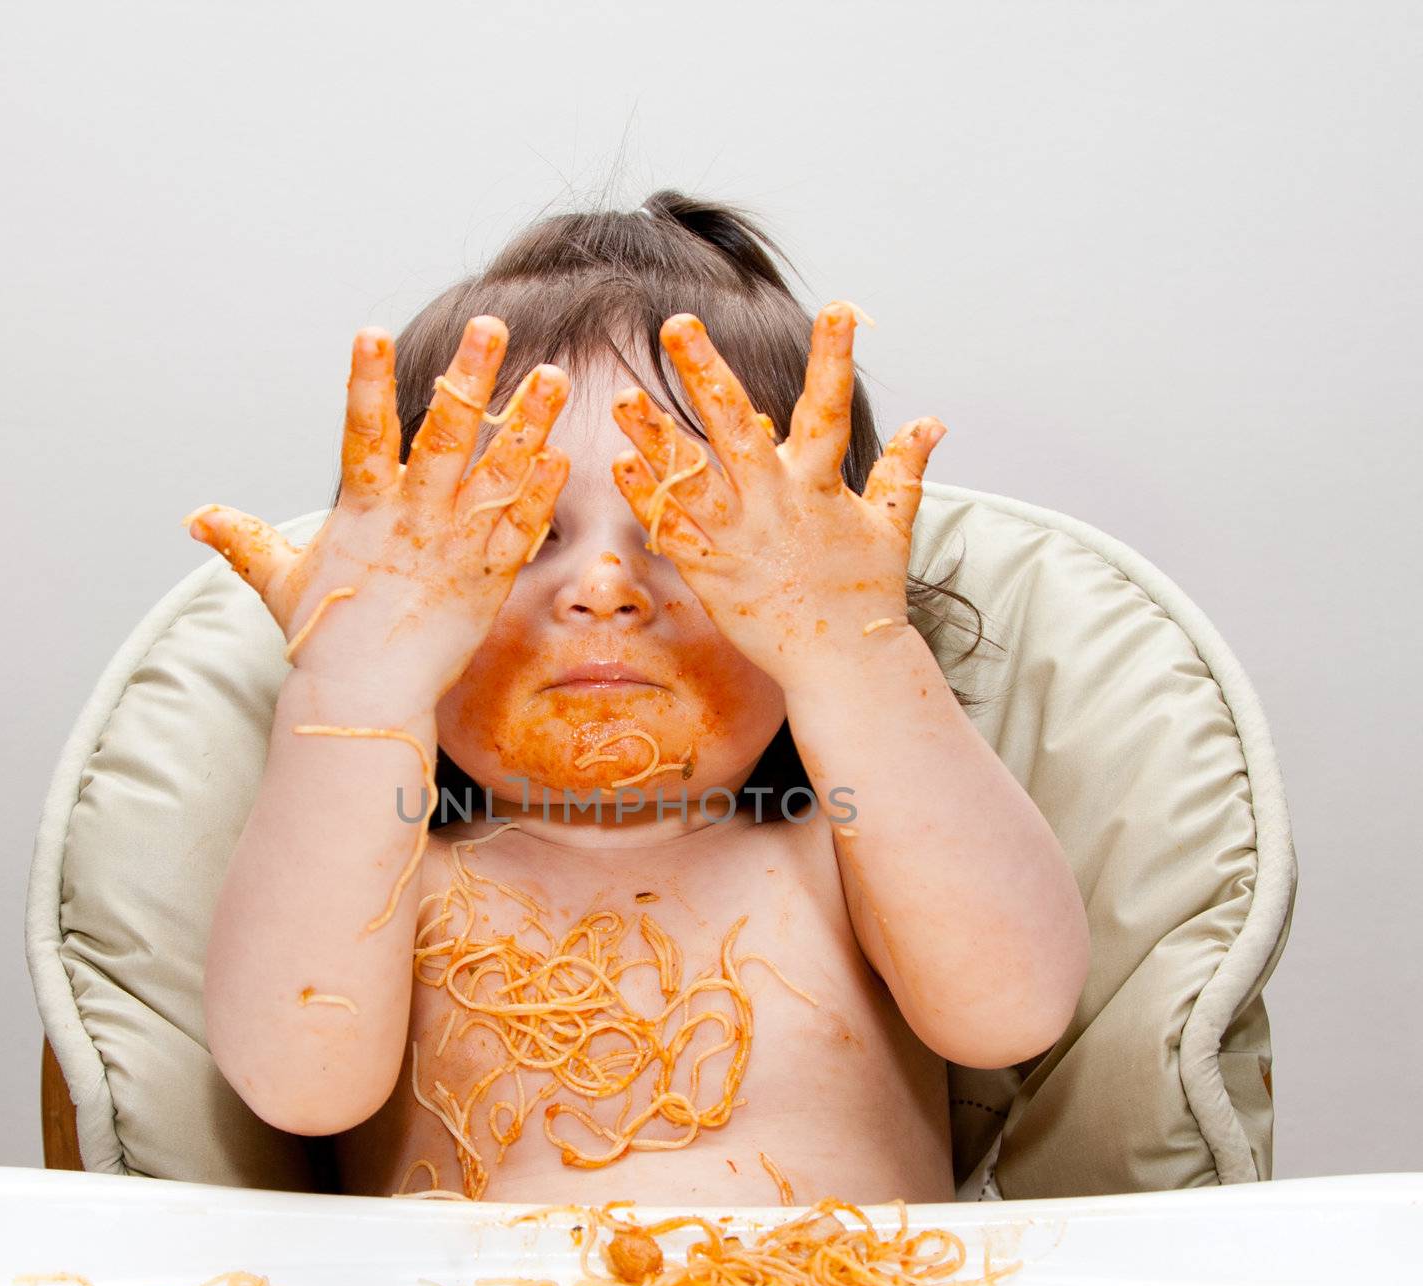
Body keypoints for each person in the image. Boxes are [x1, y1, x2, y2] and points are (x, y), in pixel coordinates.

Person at [184, 190, 1089, 1206]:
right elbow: (293, 1084)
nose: (604, 589)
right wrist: (352, 684)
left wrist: (858, 656)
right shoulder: (391, 878)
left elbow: (1014, 1011)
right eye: (522, 539)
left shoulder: (841, 856)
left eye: (685, 531)